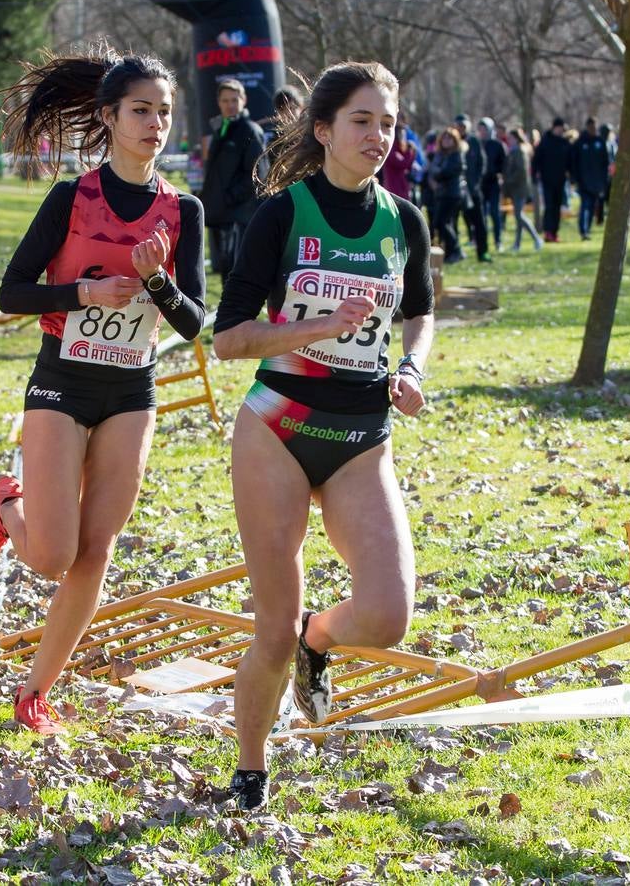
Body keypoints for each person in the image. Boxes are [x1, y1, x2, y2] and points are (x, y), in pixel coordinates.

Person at [0, 46, 206, 734]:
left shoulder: (182, 209)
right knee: (51, 555)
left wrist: (159, 282)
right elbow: (11, 291)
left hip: (131, 388)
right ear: (108, 116)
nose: (155, 124)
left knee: (97, 549)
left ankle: (35, 691)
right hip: (62, 381)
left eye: (164, 112)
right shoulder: (73, 197)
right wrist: (83, 290)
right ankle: (5, 509)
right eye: (141, 111)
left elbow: (196, 320)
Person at [213, 60, 433, 812]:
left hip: (361, 436)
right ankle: (250, 770)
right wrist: (314, 327)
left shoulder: (405, 220)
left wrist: (412, 369)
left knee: (388, 614)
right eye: (362, 121)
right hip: (277, 426)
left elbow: (421, 313)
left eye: (389, 124)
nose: (378, 137)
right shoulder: (281, 215)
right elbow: (228, 340)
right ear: (324, 129)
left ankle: (322, 639)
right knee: (268, 628)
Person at [200, 78, 268, 282]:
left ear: (243, 100)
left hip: (240, 216)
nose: (230, 105)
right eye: (225, 100)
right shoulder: (221, 129)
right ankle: (228, 314)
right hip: (221, 216)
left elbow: (257, 174)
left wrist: (229, 198)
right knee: (224, 272)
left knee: (237, 274)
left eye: (234, 99)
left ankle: (237, 315)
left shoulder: (250, 130)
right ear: (219, 102)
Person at [453, 114, 490, 262]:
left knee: (479, 222)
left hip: (473, 190)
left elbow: (482, 162)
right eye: (458, 125)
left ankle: (483, 252)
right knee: (452, 222)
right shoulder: (452, 140)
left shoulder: (474, 141)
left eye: (463, 125)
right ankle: (454, 252)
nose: (461, 128)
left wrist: (476, 182)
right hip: (456, 190)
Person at [428, 127, 467, 263]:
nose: (446, 140)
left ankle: (456, 250)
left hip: (452, 194)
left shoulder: (456, 155)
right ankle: (451, 252)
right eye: (444, 138)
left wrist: (437, 174)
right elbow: (433, 170)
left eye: (449, 138)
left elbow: (444, 173)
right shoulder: (441, 155)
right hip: (443, 193)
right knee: (444, 223)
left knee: (441, 223)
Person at [569, 117, 609, 240]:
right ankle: (583, 230)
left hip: (596, 182)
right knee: (585, 205)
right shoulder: (580, 143)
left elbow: (604, 163)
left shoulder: (600, 142)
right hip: (583, 181)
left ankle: (588, 229)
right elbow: (573, 162)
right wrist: (575, 178)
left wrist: (603, 181)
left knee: (592, 206)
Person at [533, 116, 571, 242]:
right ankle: (548, 231)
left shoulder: (564, 143)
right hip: (547, 179)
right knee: (549, 206)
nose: (561, 131)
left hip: (560, 180)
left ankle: (555, 232)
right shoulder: (545, 142)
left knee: (557, 206)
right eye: (560, 128)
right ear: (555, 127)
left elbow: (569, 161)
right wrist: (535, 174)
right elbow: (536, 160)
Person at [503, 127, 542, 252]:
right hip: (516, 188)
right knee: (518, 217)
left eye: (510, 138)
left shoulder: (519, 151)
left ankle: (536, 238)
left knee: (519, 215)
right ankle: (517, 244)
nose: (508, 140)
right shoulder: (514, 150)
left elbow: (521, 171)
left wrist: (508, 180)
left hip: (520, 188)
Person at [478, 117, 505, 252]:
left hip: (494, 184)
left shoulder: (497, 145)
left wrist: (499, 175)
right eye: (480, 129)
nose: (482, 132)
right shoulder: (477, 144)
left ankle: (498, 240)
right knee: (482, 215)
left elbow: (503, 164)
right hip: (481, 184)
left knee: (495, 213)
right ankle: (482, 242)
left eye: (484, 129)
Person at [380, 122, 415, 200]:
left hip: (402, 187)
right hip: (394, 189)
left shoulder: (401, 149)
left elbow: (408, 166)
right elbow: (403, 163)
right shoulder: (392, 150)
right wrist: (410, 152)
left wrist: (411, 152)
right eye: (401, 134)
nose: (403, 137)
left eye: (404, 135)